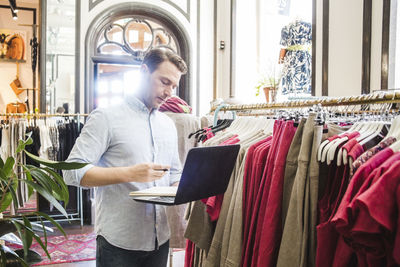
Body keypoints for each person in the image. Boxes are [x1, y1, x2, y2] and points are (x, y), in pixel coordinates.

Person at [63, 48, 187, 267]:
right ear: (143, 71)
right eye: (164, 82)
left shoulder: (168, 125)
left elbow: (174, 173)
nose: (169, 92)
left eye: (174, 86)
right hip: (119, 243)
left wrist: (185, 187)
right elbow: (72, 173)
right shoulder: (105, 117)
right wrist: (130, 173)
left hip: (161, 239)